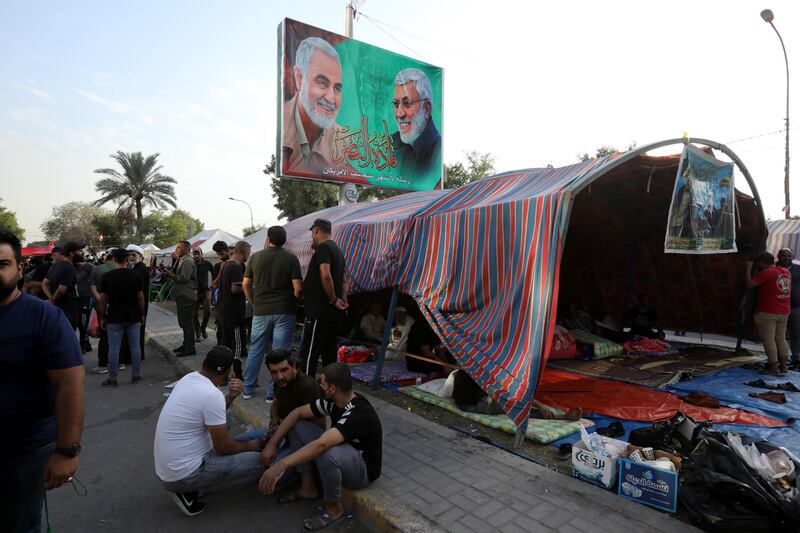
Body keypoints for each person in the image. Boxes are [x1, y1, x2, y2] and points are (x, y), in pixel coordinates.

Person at [0, 231, 85, 533]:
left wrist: (66, 451)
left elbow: (70, 383)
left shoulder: (43, 318)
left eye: (2, 264)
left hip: (23, 452)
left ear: (19, 269)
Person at [259, 363, 382, 531]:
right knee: (298, 425)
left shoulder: (358, 412)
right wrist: (272, 444)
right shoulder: (334, 401)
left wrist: (282, 464)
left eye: (322, 383)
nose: (319, 386)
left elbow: (322, 444)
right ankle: (308, 488)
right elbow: (297, 413)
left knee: (326, 452)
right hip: (344, 452)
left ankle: (334, 508)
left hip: (362, 470)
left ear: (332, 388)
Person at [153, 346, 263, 516]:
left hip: (170, 468)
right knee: (258, 462)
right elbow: (223, 448)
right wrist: (252, 445)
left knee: (224, 414)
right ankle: (189, 488)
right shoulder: (212, 395)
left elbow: (214, 414)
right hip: (182, 475)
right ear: (229, 372)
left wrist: (232, 396)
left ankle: (197, 481)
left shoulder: (190, 378)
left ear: (204, 363)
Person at [233, 349, 322, 491]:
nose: (279, 376)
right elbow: (275, 404)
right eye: (273, 372)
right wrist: (274, 420)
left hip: (302, 439)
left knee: (273, 478)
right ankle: (263, 449)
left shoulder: (307, 386)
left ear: (294, 367)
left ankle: (300, 473)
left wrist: (279, 435)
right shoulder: (279, 382)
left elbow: (318, 425)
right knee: (237, 441)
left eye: (284, 370)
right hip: (279, 433)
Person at [242, 226, 303, 400]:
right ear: (284, 241)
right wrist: (295, 303)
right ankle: (272, 393)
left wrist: (254, 303)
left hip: (261, 311)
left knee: (256, 349)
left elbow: (246, 284)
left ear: (268, 239)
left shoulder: (255, 257)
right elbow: (298, 289)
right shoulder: (291, 258)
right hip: (285, 311)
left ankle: (248, 389)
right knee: (280, 352)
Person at [282, 37, 347, 177]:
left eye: (337, 88)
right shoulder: (281, 124)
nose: (331, 98)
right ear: (299, 78)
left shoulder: (344, 141)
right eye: (322, 83)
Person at [300, 219, 348, 377]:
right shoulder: (338, 250)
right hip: (332, 313)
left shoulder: (323, 249)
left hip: (320, 312)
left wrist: (334, 299)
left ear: (316, 230)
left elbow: (326, 275)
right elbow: (345, 280)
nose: (312, 236)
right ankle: (330, 389)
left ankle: (305, 391)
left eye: (312, 232)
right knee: (329, 355)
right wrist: (343, 299)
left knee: (309, 354)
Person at [97, 248, 145, 387]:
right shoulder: (136, 276)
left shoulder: (107, 276)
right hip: (133, 316)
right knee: (135, 346)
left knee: (114, 348)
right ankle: (136, 375)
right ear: (126, 260)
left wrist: (102, 316)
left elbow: (103, 299)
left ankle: (113, 378)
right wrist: (142, 313)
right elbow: (140, 297)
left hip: (114, 316)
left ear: (114, 260)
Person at [390, 68, 441, 177]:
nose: (399, 113)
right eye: (395, 104)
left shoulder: (438, 153)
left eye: (407, 103)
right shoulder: (390, 144)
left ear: (426, 109)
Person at [747, 251, 791, 375]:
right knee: (781, 338)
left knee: (768, 339)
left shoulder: (766, 273)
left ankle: (773, 368)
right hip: (784, 310)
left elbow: (750, 284)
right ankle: (784, 367)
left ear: (761, 263)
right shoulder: (786, 272)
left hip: (768, 310)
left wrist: (748, 269)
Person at [218, 241, 251, 359]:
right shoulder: (235, 266)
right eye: (249, 252)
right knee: (237, 346)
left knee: (226, 344)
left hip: (225, 311)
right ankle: (236, 372)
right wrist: (250, 288)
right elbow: (235, 289)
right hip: (234, 313)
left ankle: (225, 371)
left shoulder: (226, 264)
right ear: (243, 251)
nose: (249, 255)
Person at [163, 240, 197, 356]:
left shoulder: (187, 261)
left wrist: (170, 275)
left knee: (186, 323)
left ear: (186, 249)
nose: (176, 250)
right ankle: (186, 344)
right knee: (184, 322)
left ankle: (190, 348)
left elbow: (183, 278)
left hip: (186, 295)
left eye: (178, 248)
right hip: (183, 295)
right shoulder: (183, 260)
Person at [42, 241, 82, 331]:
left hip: (57, 307)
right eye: (79, 251)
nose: (81, 253)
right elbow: (61, 289)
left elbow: (44, 283)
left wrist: (51, 298)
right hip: (68, 308)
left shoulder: (54, 266)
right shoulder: (69, 267)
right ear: (72, 253)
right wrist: (53, 299)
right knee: (68, 335)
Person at [89, 251, 118, 374]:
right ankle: (119, 362)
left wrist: (101, 301)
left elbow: (93, 288)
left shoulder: (97, 269)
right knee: (118, 334)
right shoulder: (123, 269)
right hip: (118, 306)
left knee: (104, 335)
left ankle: (103, 363)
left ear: (106, 258)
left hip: (102, 306)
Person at [126, 244, 150, 362]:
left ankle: (138, 356)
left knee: (138, 331)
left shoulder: (140, 269)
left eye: (133, 255)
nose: (131, 257)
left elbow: (139, 291)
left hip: (140, 304)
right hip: (138, 304)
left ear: (140, 256)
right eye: (129, 255)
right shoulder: (135, 268)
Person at [777, 248, 800, 369]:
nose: (787, 258)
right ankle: (778, 359)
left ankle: (797, 358)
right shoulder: (773, 269)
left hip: (795, 306)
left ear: (793, 257)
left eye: (789, 256)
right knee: (778, 334)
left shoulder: (797, 269)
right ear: (778, 256)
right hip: (778, 306)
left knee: (796, 333)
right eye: (784, 256)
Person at [74, 252, 95, 353]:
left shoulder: (90, 267)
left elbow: (95, 281)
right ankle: (86, 344)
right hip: (77, 298)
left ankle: (83, 345)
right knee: (79, 323)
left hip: (87, 298)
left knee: (84, 322)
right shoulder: (73, 268)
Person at [211, 240, 231, 344]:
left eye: (222, 254)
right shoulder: (217, 266)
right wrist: (221, 271)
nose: (220, 257)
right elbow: (214, 284)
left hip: (233, 303)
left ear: (227, 251)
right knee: (220, 328)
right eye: (218, 255)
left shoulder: (237, 264)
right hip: (220, 303)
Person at [192, 248, 212, 342]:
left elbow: (215, 274)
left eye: (197, 253)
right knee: (194, 314)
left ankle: (203, 328)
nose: (196, 255)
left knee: (207, 311)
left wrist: (212, 285)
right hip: (194, 292)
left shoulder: (207, 263)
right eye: (194, 253)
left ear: (201, 254)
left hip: (206, 291)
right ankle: (197, 333)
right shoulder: (191, 264)